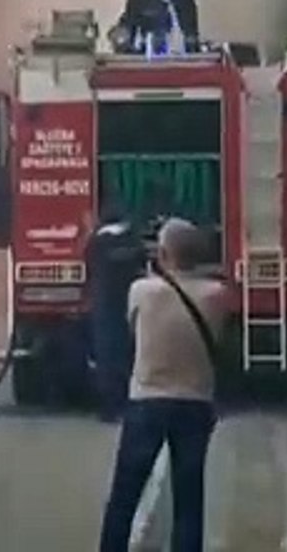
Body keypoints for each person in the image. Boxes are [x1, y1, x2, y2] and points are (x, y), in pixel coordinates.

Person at [99, 218, 229, 552]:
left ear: (164, 253)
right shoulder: (217, 296)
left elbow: (131, 328)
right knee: (189, 498)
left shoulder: (142, 291)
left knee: (124, 494)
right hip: (195, 403)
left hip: (147, 402)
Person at [85, 201, 147, 422]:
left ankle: (109, 408)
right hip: (129, 303)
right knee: (128, 353)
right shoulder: (132, 239)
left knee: (106, 356)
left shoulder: (97, 241)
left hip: (104, 305)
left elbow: (88, 265)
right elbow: (142, 264)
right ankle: (129, 403)